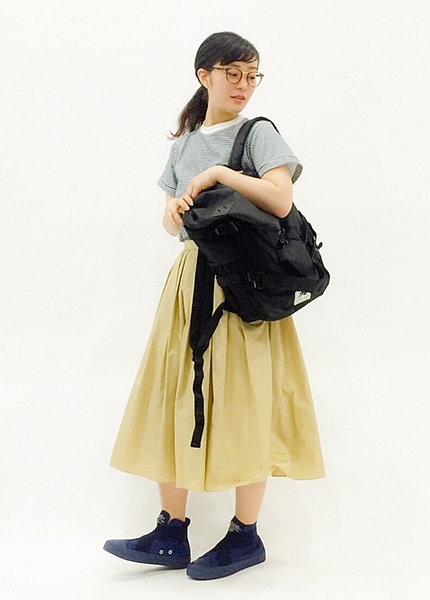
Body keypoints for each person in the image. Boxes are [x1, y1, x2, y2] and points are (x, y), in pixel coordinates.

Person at [104, 31, 325, 581]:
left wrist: (219, 175)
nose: (244, 85)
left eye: (252, 75)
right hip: (189, 281)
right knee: (174, 392)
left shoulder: (258, 133)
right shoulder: (182, 145)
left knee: (246, 397)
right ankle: (170, 531)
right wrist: (176, 210)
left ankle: (246, 536)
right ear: (204, 76)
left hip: (240, 284)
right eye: (233, 73)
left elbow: (281, 199)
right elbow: (171, 224)